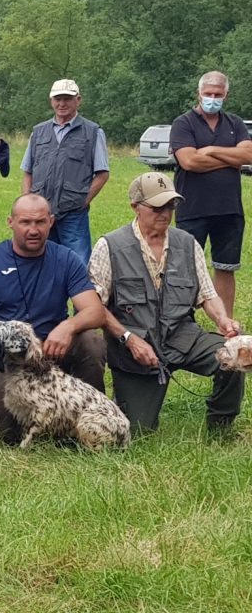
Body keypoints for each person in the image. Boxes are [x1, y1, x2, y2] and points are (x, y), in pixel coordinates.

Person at [89, 172, 243, 433]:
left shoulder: (187, 243)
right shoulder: (110, 246)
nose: (165, 213)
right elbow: (95, 307)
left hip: (183, 338)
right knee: (138, 430)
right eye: (156, 206)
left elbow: (206, 294)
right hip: (135, 349)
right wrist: (128, 338)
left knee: (236, 355)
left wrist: (223, 319)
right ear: (135, 207)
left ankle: (221, 426)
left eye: (170, 205)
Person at [0, 193, 106, 444]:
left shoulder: (66, 259)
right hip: (5, 358)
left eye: (40, 222)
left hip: (51, 353)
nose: (33, 230)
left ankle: (87, 416)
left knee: (91, 341)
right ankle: (34, 420)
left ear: (51, 222)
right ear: (11, 222)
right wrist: (8, 339)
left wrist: (68, 326)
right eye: (25, 222)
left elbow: (95, 311)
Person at [170, 71, 252, 317]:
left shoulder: (235, 123)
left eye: (218, 94)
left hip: (229, 209)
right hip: (192, 208)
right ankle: (183, 321)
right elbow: (189, 162)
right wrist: (230, 159)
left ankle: (225, 324)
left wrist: (211, 150)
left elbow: (248, 156)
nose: (212, 98)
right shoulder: (183, 123)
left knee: (225, 268)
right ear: (199, 93)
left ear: (226, 94)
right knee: (185, 269)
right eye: (208, 94)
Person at [20, 79, 109, 263]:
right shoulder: (38, 132)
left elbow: (102, 174)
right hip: (41, 213)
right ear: (51, 100)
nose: (61, 104)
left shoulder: (93, 132)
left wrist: (83, 201)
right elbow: (28, 171)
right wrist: (28, 202)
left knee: (79, 265)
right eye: (57, 99)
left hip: (73, 214)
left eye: (67, 99)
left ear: (78, 100)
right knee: (40, 263)